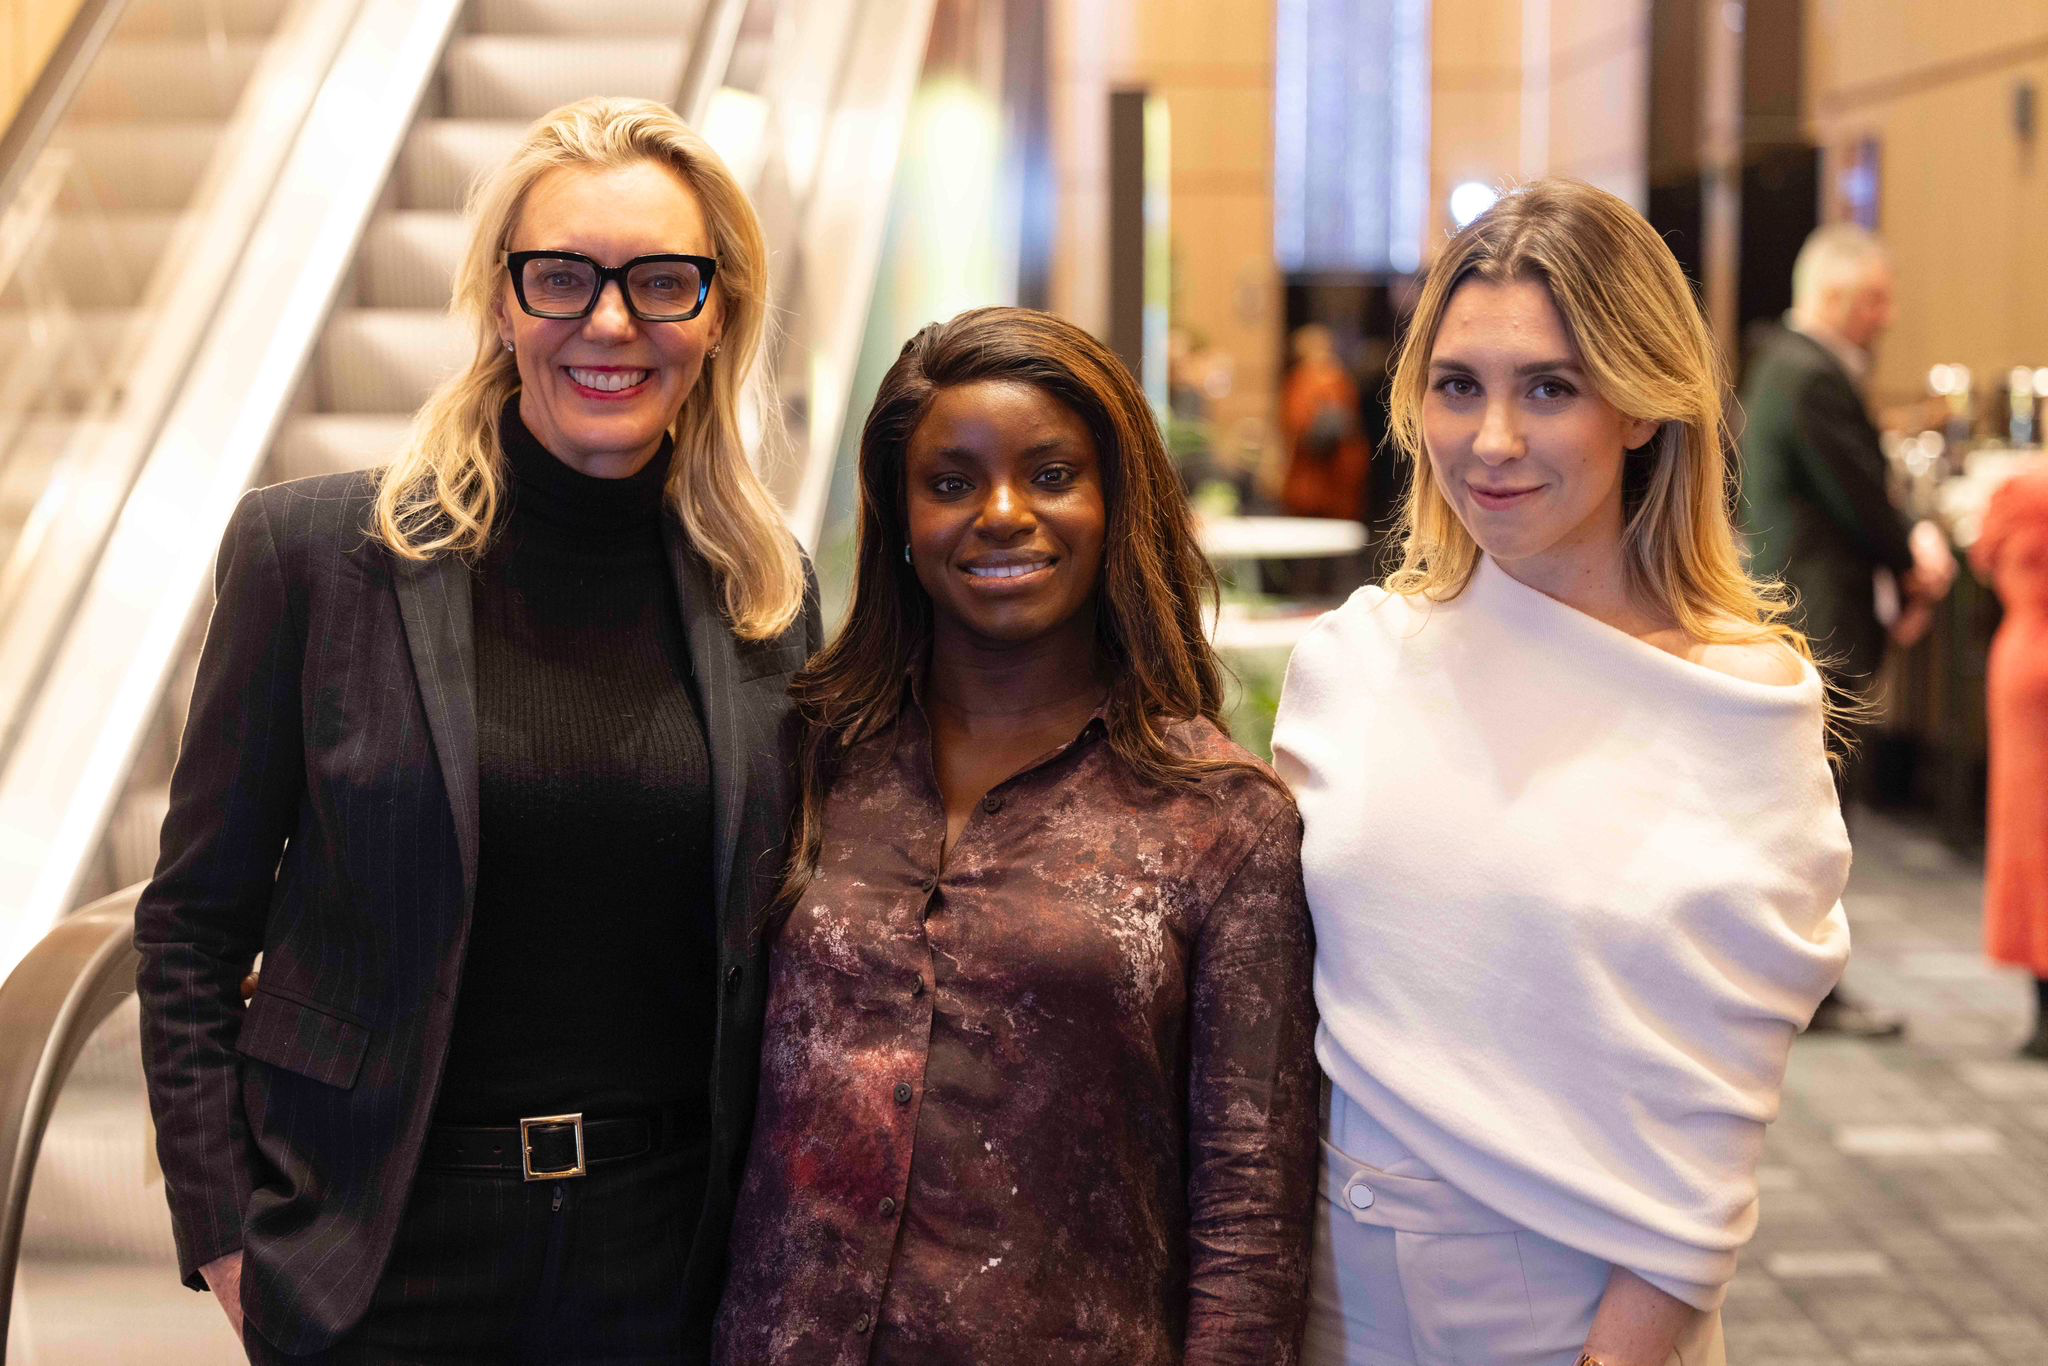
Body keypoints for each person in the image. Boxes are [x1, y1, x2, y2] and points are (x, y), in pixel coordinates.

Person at [135, 96, 816, 1364]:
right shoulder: (315, 557)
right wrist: (226, 1228)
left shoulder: (764, 594)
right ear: (501, 304)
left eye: (661, 282)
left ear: (716, 315)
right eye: (560, 278)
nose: (609, 322)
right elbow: (190, 924)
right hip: (380, 1256)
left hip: (661, 1261)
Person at [1274, 179, 1851, 1366]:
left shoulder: (1736, 702)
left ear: (1638, 407)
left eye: (1549, 387)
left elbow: (1714, 1107)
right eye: (1456, 387)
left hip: (1569, 1311)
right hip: (1325, 1294)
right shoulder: (1349, 662)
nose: (1490, 441)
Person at [713, 306, 1318, 1364]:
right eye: (950, 482)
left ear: (1112, 504)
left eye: (1049, 475)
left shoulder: (1218, 817)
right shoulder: (809, 759)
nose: (1000, 513)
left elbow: (1247, 1227)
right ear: (899, 516)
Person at [1739, 223, 1956, 1037]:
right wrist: (1911, 561)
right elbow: (1859, 495)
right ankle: (1813, 987)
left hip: (1805, 615)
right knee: (1820, 809)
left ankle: (1805, 980)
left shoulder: (1784, 365)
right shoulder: (1810, 374)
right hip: (1819, 621)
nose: (1888, 315)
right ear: (1833, 297)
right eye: (1875, 299)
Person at [1971, 467, 2048, 1059]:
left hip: (2023, 661)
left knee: (2028, 838)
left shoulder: (2018, 491)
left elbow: (1981, 555)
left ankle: (2042, 1010)